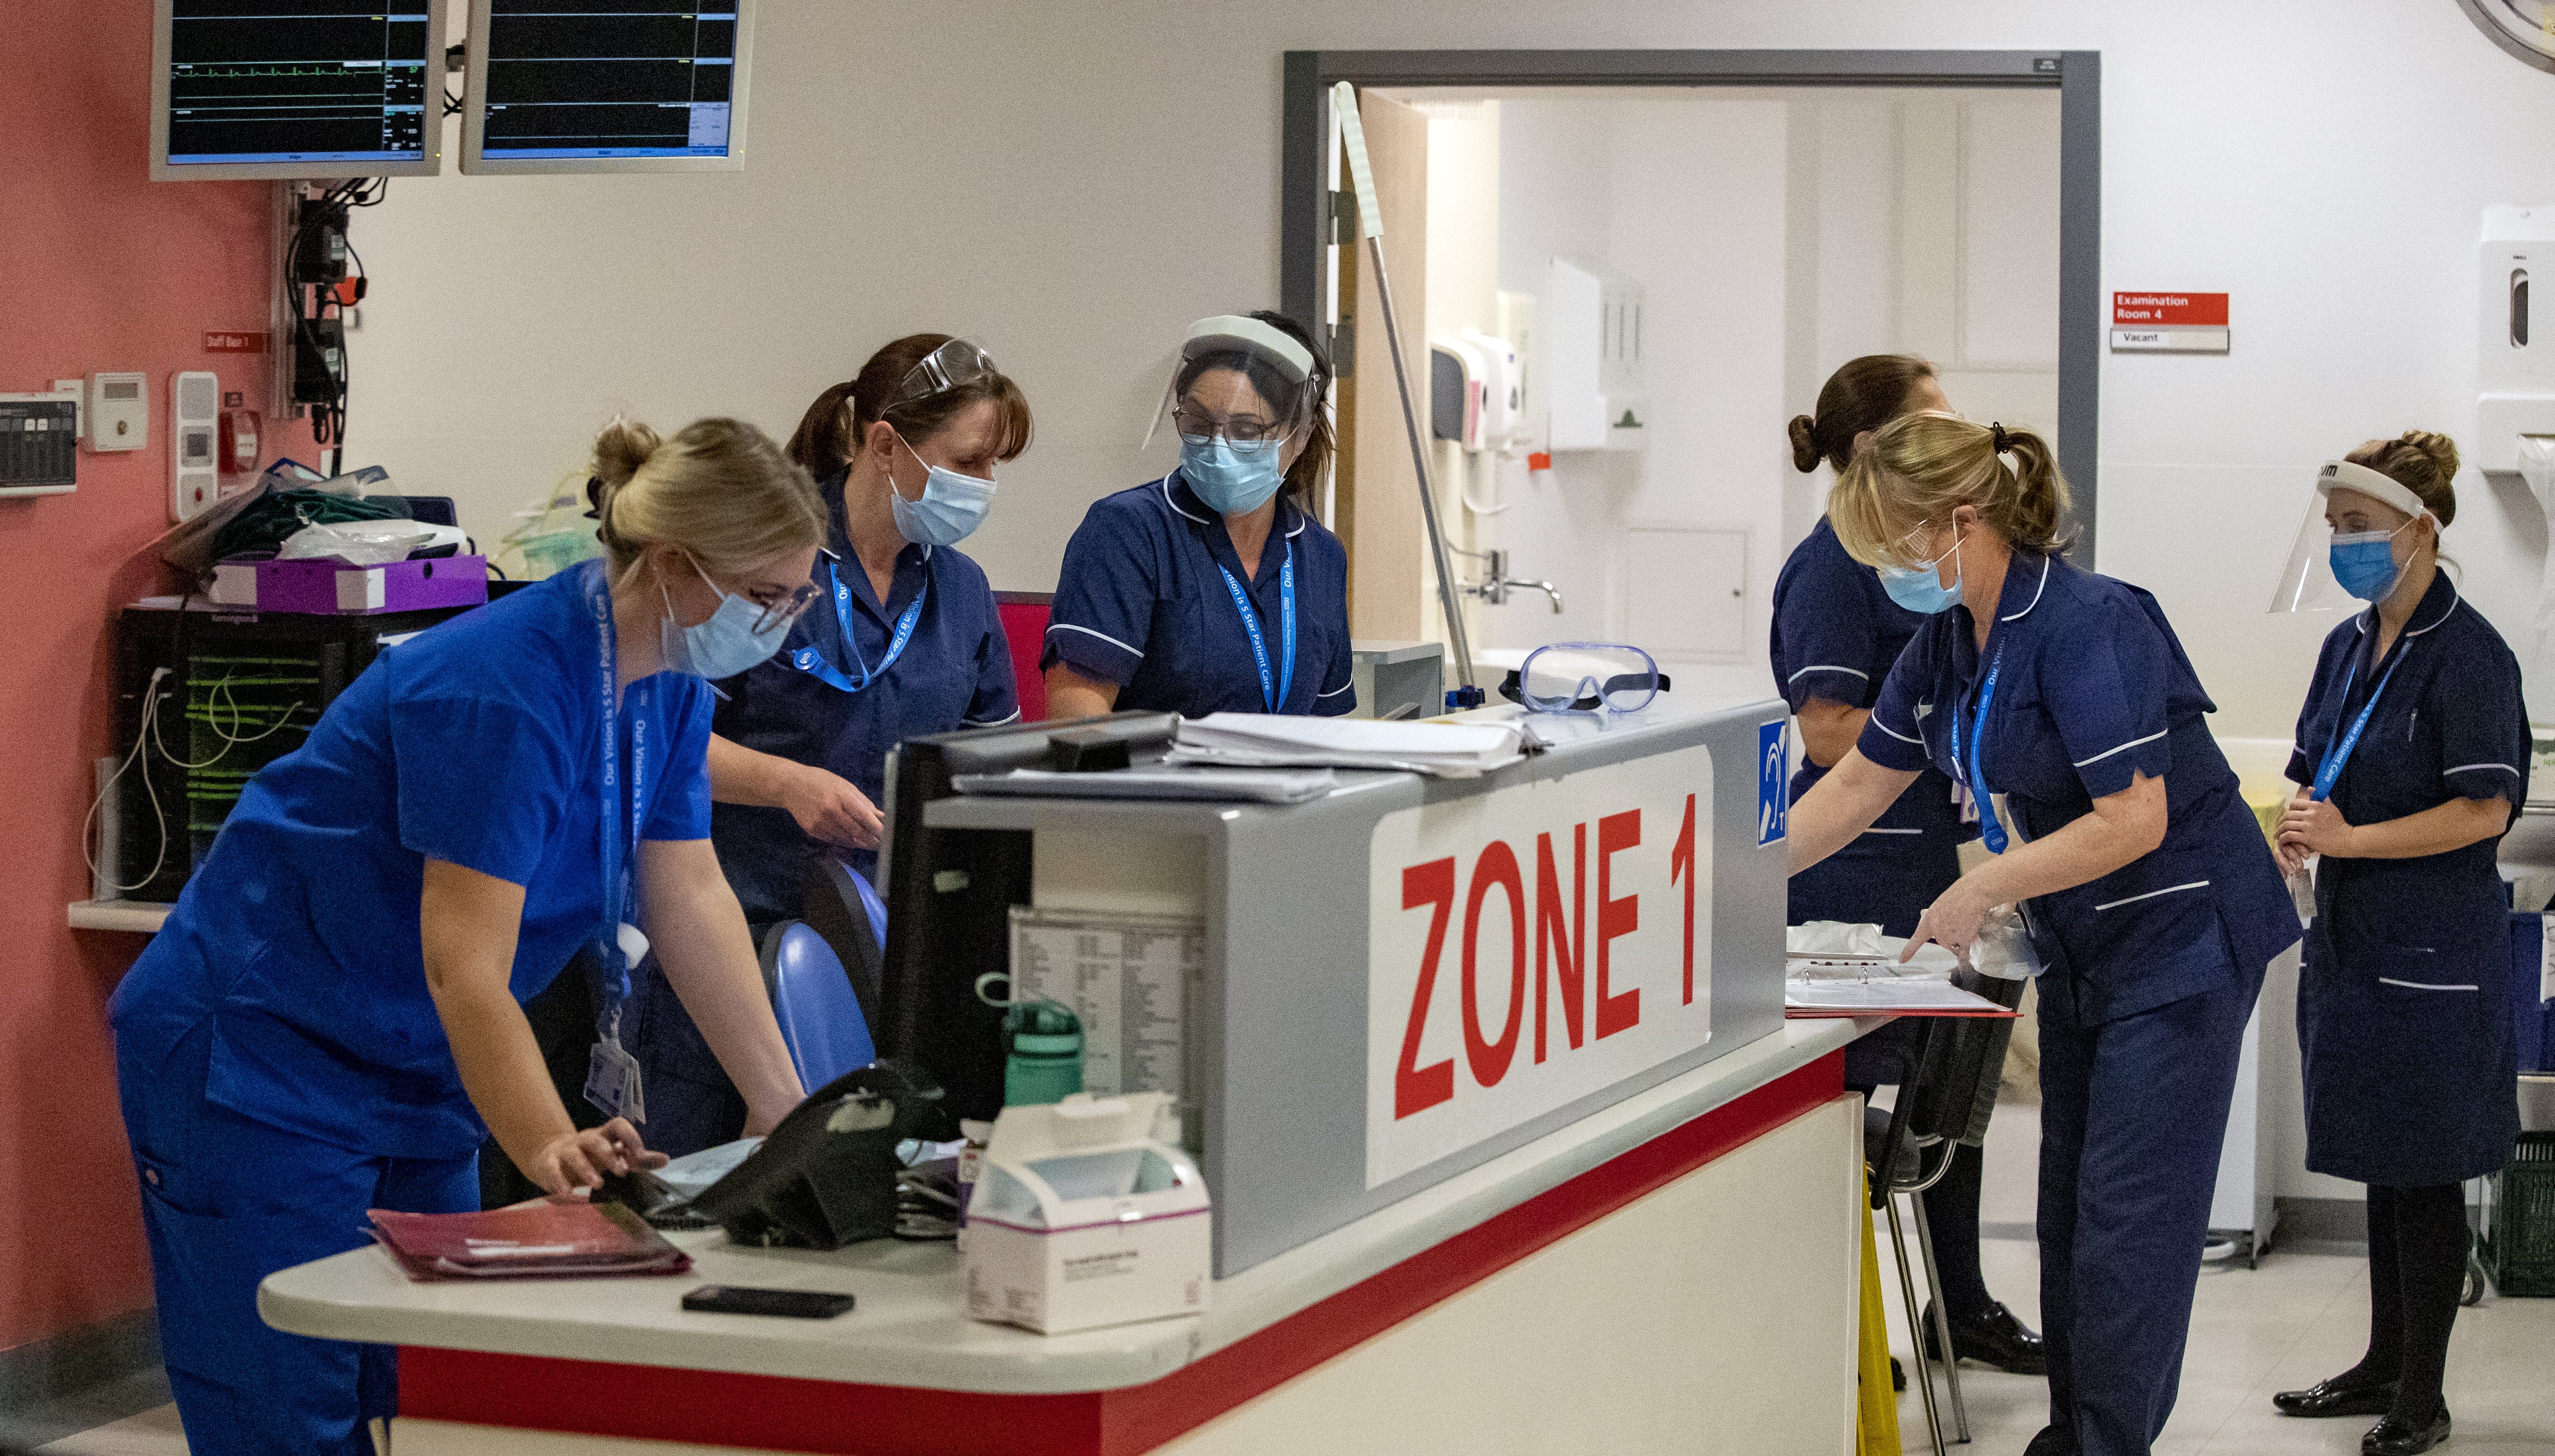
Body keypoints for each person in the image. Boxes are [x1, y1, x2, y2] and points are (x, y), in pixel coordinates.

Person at [108, 416, 823, 1455]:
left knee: (426, 1392)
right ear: (672, 564)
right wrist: (547, 1144)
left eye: (798, 598)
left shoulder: (662, 686)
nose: (785, 624)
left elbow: (692, 897)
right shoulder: (505, 686)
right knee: (289, 1410)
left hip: (416, 1067)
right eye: (767, 597)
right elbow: (466, 963)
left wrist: (783, 1102)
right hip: (259, 1055)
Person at [1785, 413, 2298, 1456]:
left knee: (2126, 1224)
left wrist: (1987, 889)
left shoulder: (2090, 622)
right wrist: (1727, 889)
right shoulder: (1949, 644)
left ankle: (2102, 1444)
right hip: (2089, 945)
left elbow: (2136, 816)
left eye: (1895, 545)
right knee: (2067, 1214)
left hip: (2183, 939)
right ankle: (2079, 1435)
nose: (1886, 569)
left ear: (1960, 522)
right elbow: (1854, 785)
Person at [628, 336, 1033, 1155]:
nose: (984, 485)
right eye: (970, 460)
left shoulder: (960, 591)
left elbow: (995, 767)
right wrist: (786, 782)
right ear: (885, 443)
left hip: (889, 948)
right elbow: (661, 740)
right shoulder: (765, 560)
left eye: (994, 466)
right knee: (696, 1193)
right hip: (729, 935)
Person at [1772, 355, 2042, 1376]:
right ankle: (1848, 1325)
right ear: (1881, 447)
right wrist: (1938, 728)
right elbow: (1833, 730)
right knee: (1856, 1105)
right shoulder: (1836, 568)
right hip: (1855, 876)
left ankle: (1960, 1301)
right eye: (1934, 416)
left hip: (1926, 855)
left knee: (1944, 1097)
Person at [2267, 434, 2524, 1456]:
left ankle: (2423, 1393)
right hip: (2355, 942)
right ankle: (2379, 1362)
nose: (2346, 549)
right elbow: (2312, 771)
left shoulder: (2471, 656)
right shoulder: (2346, 647)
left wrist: (2350, 840)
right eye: (2335, 532)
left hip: (2433, 952)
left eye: (2361, 531)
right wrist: (2296, 829)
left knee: (2425, 1173)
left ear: (2420, 531)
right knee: (2381, 1161)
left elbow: (2485, 810)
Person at [1044, 312, 1355, 720]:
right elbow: (1077, 731)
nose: (1217, 446)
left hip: (1287, 783)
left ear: (1300, 436)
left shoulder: (1321, 556)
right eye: (1199, 423)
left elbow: (1329, 730)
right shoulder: (1127, 531)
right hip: (1155, 784)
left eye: (1247, 431)